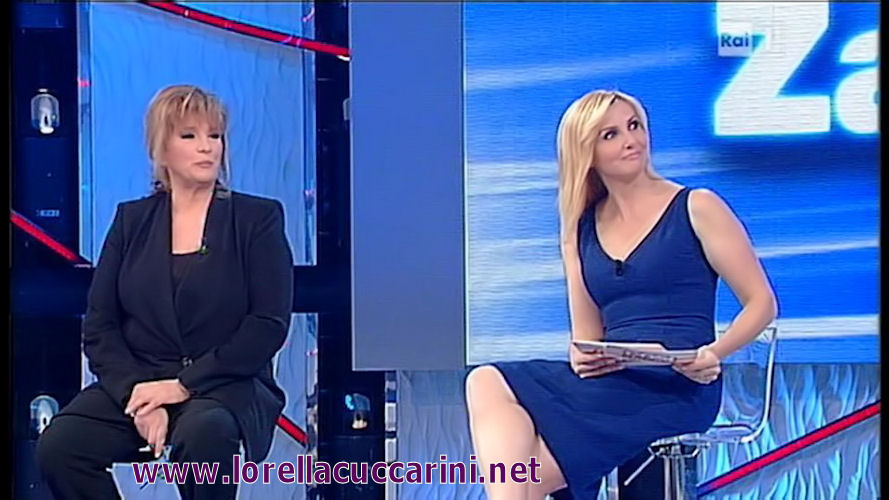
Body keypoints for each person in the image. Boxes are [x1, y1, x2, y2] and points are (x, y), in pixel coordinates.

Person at [464, 90, 778, 499]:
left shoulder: (697, 206)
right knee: (485, 381)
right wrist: (583, 353)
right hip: (610, 384)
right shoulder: (582, 229)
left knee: (521, 480)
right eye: (610, 134)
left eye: (634, 126)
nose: (631, 140)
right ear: (586, 152)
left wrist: (714, 353)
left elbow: (762, 303)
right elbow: (586, 338)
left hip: (677, 385)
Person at [35, 85, 294, 500]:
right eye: (190, 136)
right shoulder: (132, 220)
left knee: (205, 433)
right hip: (141, 380)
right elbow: (101, 327)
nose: (207, 147)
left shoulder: (256, 218)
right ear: (162, 149)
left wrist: (182, 385)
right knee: (61, 446)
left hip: (223, 384)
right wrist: (140, 396)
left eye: (215, 135)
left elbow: (267, 325)